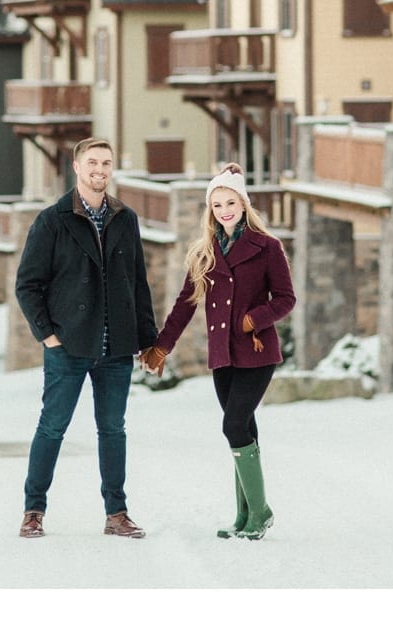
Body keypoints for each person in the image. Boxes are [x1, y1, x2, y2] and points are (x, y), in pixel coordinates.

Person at [140, 163, 296, 540]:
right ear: (210, 210)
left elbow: (286, 299)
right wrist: (162, 346)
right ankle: (245, 517)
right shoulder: (204, 253)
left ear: (243, 204)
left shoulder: (267, 246)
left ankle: (260, 512)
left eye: (230, 202)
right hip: (223, 356)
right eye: (217, 204)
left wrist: (253, 320)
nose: (224, 210)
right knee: (242, 429)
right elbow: (184, 305)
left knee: (233, 425)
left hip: (257, 352)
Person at [14, 137, 159, 539]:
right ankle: (33, 511)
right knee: (52, 428)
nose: (100, 169)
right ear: (76, 167)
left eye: (106, 163)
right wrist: (48, 336)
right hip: (69, 347)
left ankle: (117, 514)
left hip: (116, 348)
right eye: (92, 162)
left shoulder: (124, 219)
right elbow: (27, 285)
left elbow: (139, 284)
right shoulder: (52, 220)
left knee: (113, 429)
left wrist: (150, 340)